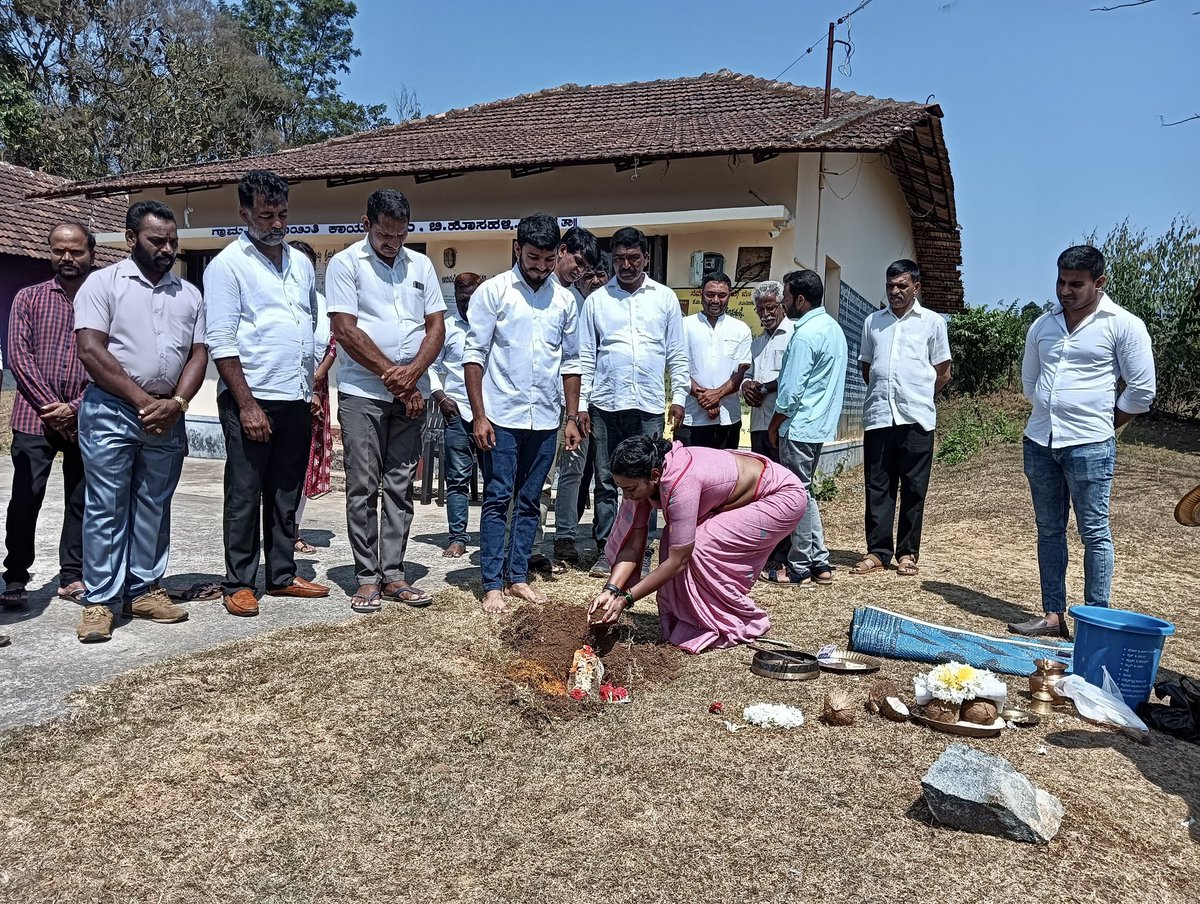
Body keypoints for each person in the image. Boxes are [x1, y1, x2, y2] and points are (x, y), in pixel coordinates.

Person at [72, 201, 207, 642]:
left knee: (154, 504)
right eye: (157, 240)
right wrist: (143, 401)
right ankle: (100, 600)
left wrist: (179, 402)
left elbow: (198, 354)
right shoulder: (102, 284)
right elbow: (91, 350)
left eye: (173, 241)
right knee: (107, 506)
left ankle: (144, 587)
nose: (167, 249)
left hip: (168, 415)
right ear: (132, 239)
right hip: (112, 410)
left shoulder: (189, 294)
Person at [1008, 245, 1155, 638]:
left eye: (1076, 283)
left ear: (1099, 283)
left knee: (1094, 532)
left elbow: (1141, 390)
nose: (1065, 291)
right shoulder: (1042, 325)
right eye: (1061, 281)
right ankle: (1053, 614)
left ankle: (1095, 620)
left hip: (1090, 445)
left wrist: (1104, 423)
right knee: (1049, 530)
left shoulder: (1123, 325)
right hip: (1040, 441)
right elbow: (1029, 382)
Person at [205, 170, 329, 618]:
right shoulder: (227, 266)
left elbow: (307, 324)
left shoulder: (298, 262)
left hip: (294, 397)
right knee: (244, 490)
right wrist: (246, 404)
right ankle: (238, 581)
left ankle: (280, 574)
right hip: (251, 399)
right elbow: (221, 341)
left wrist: (309, 386)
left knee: (285, 490)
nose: (277, 223)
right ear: (244, 214)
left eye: (282, 214)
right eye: (266, 215)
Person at [327, 189, 446, 613]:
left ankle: (394, 573)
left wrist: (413, 375)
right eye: (383, 234)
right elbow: (345, 329)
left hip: (412, 394)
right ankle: (365, 577)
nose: (392, 242)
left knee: (399, 483)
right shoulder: (345, 264)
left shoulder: (422, 265)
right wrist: (393, 376)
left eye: (400, 234)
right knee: (362, 484)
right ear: (366, 224)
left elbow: (435, 327)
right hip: (363, 392)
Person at [463, 213, 583, 614]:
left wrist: (570, 416)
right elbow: (474, 357)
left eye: (549, 259)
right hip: (500, 417)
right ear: (518, 249)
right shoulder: (493, 292)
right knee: (498, 499)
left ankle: (517, 578)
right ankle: (492, 584)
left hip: (547, 420)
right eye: (534, 257)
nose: (541, 267)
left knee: (531, 499)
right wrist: (479, 416)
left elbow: (571, 362)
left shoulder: (565, 299)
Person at [587, 436, 806, 653]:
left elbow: (679, 561)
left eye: (630, 489)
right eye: (621, 489)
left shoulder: (682, 482)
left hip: (781, 496)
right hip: (745, 495)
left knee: (699, 547)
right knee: (671, 544)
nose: (627, 496)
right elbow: (633, 544)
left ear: (654, 476)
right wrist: (611, 590)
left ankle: (729, 619)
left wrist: (626, 599)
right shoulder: (642, 478)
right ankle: (692, 619)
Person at [579, 226, 689, 577]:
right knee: (607, 479)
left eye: (633, 258)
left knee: (647, 480)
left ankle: (640, 551)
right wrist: (581, 404)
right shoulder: (597, 300)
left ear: (646, 258)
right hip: (605, 404)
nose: (625, 265)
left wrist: (680, 396)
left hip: (649, 405)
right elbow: (585, 356)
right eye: (619, 259)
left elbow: (677, 353)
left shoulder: (664, 298)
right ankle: (606, 550)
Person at [2, 223, 93, 611]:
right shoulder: (28, 298)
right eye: (58, 251)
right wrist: (51, 408)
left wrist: (74, 409)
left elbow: (117, 359)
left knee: (82, 499)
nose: (66, 258)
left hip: (87, 417)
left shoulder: (104, 300)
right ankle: (16, 576)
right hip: (33, 418)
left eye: (75, 251)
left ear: (92, 252)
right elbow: (18, 358)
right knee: (26, 498)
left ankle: (72, 576)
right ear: (50, 252)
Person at [852, 259, 951, 577]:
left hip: (917, 418)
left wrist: (919, 394)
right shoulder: (873, 322)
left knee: (913, 488)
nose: (895, 291)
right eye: (890, 286)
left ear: (916, 287)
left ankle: (907, 553)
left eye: (902, 286)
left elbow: (943, 372)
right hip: (880, 416)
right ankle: (878, 551)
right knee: (878, 486)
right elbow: (867, 367)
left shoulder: (933, 322)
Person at [765, 269, 848, 585]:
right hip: (818, 425)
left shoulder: (805, 334)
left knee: (797, 494)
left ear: (800, 299)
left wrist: (776, 423)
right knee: (806, 492)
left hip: (799, 426)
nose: (783, 303)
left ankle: (799, 565)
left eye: (785, 297)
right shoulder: (833, 329)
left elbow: (790, 391)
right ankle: (820, 562)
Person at [552, 261, 608, 565]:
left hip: (609, 403)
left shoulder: (610, 307)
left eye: (601, 274)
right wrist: (576, 407)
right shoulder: (570, 305)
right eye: (589, 275)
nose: (596, 279)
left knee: (605, 474)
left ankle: (605, 539)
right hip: (574, 405)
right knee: (571, 470)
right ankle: (565, 535)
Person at [741, 280, 793, 571]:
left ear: (782, 305)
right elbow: (748, 376)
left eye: (771, 306)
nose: (766, 313)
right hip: (759, 425)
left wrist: (765, 388)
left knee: (782, 489)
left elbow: (792, 379)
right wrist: (748, 385)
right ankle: (765, 550)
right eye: (760, 308)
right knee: (761, 491)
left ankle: (784, 553)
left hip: (782, 424)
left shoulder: (794, 336)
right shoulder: (757, 342)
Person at [288, 240, 336, 555]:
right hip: (286, 391)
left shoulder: (323, 304)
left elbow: (331, 346)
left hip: (315, 393)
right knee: (283, 465)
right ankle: (273, 529)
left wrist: (316, 379)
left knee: (305, 465)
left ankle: (293, 530)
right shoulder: (280, 301)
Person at [432, 272, 484, 559]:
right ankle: (457, 538)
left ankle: (492, 536)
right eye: (462, 300)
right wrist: (441, 397)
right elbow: (429, 365)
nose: (467, 305)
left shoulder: (493, 326)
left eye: (472, 299)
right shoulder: (447, 328)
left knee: (498, 481)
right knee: (457, 480)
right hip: (457, 414)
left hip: (489, 416)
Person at [677, 272, 752, 449]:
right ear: (700, 294)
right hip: (690, 418)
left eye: (721, 295)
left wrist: (717, 395)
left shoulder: (740, 329)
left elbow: (742, 371)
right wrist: (703, 397)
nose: (715, 300)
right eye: (710, 294)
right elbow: (677, 367)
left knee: (726, 474)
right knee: (688, 473)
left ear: (730, 296)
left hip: (728, 418)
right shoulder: (684, 326)